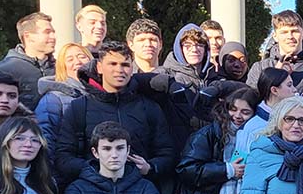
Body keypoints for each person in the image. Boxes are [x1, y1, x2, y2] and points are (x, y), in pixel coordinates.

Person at [53, 41, 176, 185]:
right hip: (92, 193)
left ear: (132, 68)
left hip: (139, 192)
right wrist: (97, 169)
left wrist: (150, 167)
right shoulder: (79, 108)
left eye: (125, 65)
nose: (119, 70)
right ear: (99, 67)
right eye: (112, 64)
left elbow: (167, 153)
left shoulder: (149, 108)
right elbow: (63, 157)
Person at [0, 13, 56, 110]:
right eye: (47, 32)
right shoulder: (3, 70)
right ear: (28, 36)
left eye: (53, 32)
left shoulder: (60, 67)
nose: (53, 37)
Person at [35, 43, 92, 144]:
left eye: (82, 57)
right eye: (70, 59)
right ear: (62, 67)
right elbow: (46, 137)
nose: (78, 62)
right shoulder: (53, 99)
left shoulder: (102, 94)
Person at [161, 24, 217, 89]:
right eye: (188, 45)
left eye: (200, 45)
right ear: (180, 49)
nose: (194, 50)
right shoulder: (168, 77)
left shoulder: (214, 76)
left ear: (206, 49)